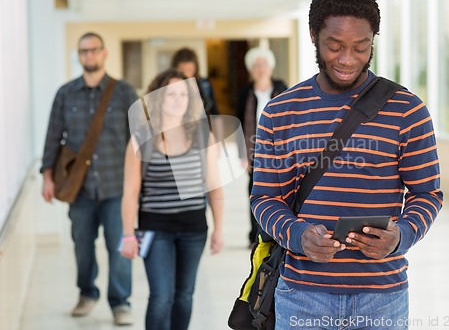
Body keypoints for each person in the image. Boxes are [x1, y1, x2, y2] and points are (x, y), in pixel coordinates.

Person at [250, 0, 443, 329]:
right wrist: (297, 235)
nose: (347, 59)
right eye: (335, 46)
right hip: (302, 294)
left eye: (360, 47)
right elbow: (264, 198)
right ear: (313, 36)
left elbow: (427, 194)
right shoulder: (280, 113)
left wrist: (401, 235)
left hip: (381, 296)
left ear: (373, 40)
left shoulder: (407, 110)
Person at [40, 32, 138, 325]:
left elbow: (138, 140)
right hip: (79, 189)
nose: (89, 56)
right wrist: (47, 176)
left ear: (104, 53)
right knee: (82, 247)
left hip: (116, 188)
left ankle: (121, 302)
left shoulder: (124, 92)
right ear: (79, 56)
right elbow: (52, 136)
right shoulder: (65, 93)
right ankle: (87, 293)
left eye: (94, 50)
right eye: (83, 51)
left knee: (120, 247)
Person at [120, 69, 224, 330]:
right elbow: (131, 192)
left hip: (193, 229)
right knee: (161, 297)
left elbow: (214, 187)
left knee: (184, 296)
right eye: (170, 94)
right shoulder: (140, 139)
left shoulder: (203, 137)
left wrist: (219, 229)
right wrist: (127, 234)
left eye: (183, 94)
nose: (177, 99)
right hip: (155, 229)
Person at [236, 47, 287, 247]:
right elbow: (238, 124)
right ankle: (255, 235)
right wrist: (242, 155)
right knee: (255, 193)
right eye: (256, 65)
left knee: (282, 193)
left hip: (280, 151)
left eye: (264, 64)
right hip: (255, 151)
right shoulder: (245, 93)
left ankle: (277, 232)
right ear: (251, 69)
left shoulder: (282, 88)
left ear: (271, 67)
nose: (261, 69)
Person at [170, 47, 219, 116]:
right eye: (182, 71)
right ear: (175, 69)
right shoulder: (170, 87)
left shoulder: (205, 84)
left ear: (195, 68)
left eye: (190, 70)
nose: (186, 75)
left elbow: (215, 111)